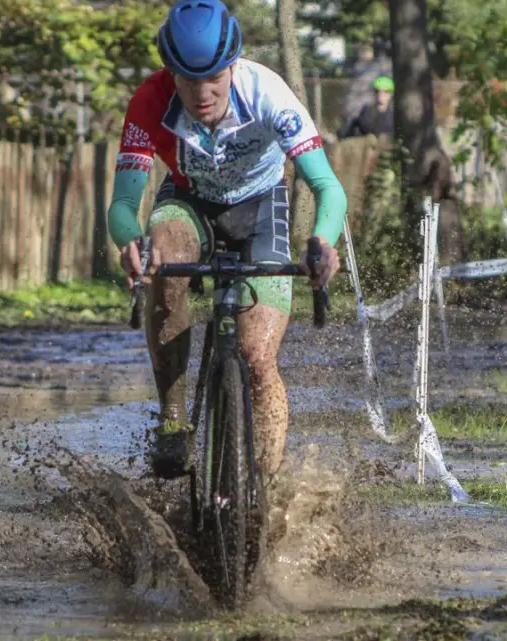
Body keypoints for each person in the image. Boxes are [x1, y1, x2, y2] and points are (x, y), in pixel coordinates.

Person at [107, 0, 346, 484]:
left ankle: (264, 487)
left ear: (232, 63)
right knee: (165, 253)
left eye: (214, 76)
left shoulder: (269, 94)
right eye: (187, 78)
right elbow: (121, 205)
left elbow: (327, 187)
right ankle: (174, 421)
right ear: (169, 72)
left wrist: (323, 240)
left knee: (258, 357)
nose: (201, 92)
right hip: (189, 202)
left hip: (261, 207)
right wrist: (132, 241)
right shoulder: (149, 101)